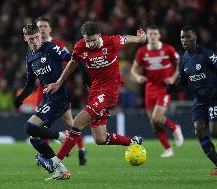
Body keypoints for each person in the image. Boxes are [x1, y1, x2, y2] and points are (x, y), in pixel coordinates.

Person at [36, 21, 146, 176]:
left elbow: (126, 39)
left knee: (77, 122)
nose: (91, 44)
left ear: (99, 36)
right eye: (88, 40)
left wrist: (140, 39)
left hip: (109, 92)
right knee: (100, 139)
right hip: (95, 91)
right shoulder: (81, 46)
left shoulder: (111, 42)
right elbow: (73, 63)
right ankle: (132, 142)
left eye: (94, 40)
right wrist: (59, 82)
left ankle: (54, 163)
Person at [167, 26, 217, 175]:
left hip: (215, 98)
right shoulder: (183, 60)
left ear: (195, 38)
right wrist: (172, 88)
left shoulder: (205, 54)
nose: (184, 40)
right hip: (199, 100)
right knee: (199, 130)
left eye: (187, 37)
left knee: (215, 132)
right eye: (182, 38)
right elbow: (184, 84)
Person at [14, 23, 72, 180]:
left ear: (40, 35)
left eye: (36, 37)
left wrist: (60, 82)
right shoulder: (30, 57)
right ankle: (61, 170)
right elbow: (31, 83)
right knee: (35, 138)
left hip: (59, 97)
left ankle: (62, 137)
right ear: (25, 39)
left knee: (29, 127)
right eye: (31, 39)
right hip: (49, 98)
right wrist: (21, 98)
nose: (35, 41)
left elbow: (73, 59)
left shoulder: (51, 48)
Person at [35, 17, 86, 166]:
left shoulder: (58, 45)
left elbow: (71, 63)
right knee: (39, 124)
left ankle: (82, 149)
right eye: (39, 27)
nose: (42, 29)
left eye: (45, 26)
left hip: (59, 89)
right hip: (42, 90)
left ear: (50, 29)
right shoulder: (34, 46)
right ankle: (44, 153)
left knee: (70, 121)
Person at [131, 25, 184, 158]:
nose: (152, 37)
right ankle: (168, 149)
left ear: (159, 35)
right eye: (150, 34)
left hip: (164, 89)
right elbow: (134, 69)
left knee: (157, 118)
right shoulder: (142, 51)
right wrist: (138, 77)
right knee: (154, 123)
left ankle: (175, 128)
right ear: (147, 36)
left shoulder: (168, 49)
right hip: (149, 88)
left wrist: (172, 77)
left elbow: (180, 63)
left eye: (155, 34)